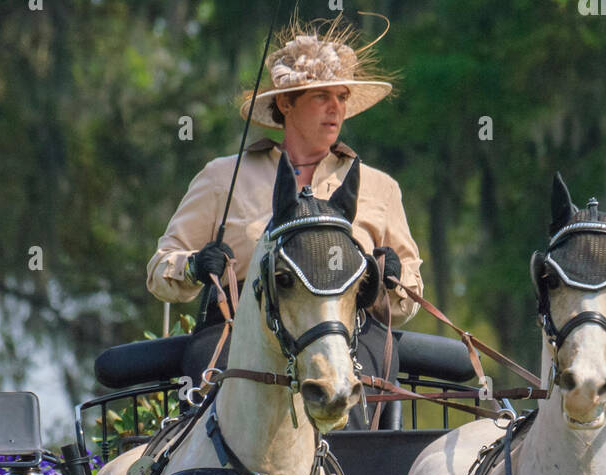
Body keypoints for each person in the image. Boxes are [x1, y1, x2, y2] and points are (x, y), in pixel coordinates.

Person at [145, 18, 423, 417]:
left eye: (342, 96)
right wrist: (192, 266)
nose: (336, 108)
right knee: (209, 370)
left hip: (348, 331)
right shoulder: (222, 177)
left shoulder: (381, 188)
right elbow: (159, 270)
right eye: (321, 96)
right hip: (239, 330)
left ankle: (357, 468)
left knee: (362, 381)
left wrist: (393, 280)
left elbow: (409, 298)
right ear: (285, 103)